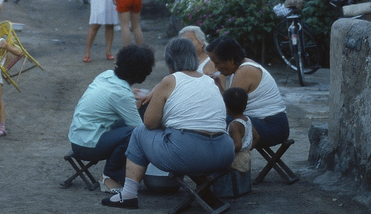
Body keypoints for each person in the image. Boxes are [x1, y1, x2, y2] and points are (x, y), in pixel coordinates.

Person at [101, 38, 234, 209]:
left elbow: (149, 123)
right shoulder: (210, 81)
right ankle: (205, 192)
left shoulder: (170, 81)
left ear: (169, 61)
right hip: (223, 152)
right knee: (183, 135)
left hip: (188, 153)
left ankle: (128, 194)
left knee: (139, 132)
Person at [69, 45, 155, 194]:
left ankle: (114, 175)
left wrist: (130, 93)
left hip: (79, 137)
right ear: (142, 73)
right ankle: (109, 176)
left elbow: (116, 96)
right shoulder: (121, 94)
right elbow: (140, 130)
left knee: (135, 121)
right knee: (134, 134)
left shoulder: (107, 75)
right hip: (87, 145)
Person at [206, 36, 289, 148]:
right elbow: (231, 103)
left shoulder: (245, 71)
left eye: (217, 63)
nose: (216, 68)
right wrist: (219, 87)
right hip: (266, 124)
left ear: (230, 60)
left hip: (272, 127)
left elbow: (229, 109)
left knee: (216, 121)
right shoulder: (241, 68)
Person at [224, 87, 259, 173]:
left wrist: (225, 152)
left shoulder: (234, 124)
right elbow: (257, 137)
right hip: (246, 156)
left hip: (236, 158)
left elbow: (238, 145)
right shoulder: (247, 120)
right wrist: (247, 149)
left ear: (227, 107)